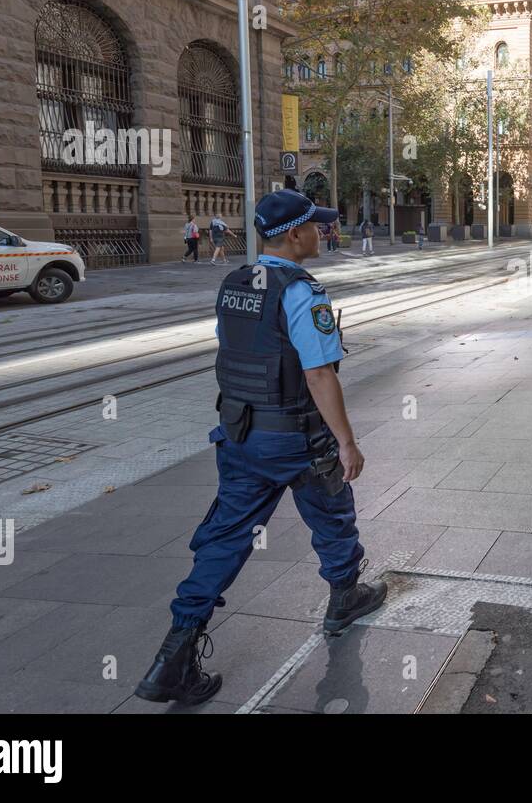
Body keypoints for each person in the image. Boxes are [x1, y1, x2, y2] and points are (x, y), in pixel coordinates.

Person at [135, 190, 386, 706]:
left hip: (242, 434)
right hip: (298, 437)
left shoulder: (233, 284)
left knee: (224, 539)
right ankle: (344, 597)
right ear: (295, 234)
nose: (321, 233)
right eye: (316, 227)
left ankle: (172, 657)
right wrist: (347, 442)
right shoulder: (302, 291)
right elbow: (318, 374)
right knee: (332, 514)